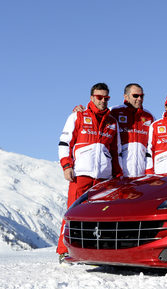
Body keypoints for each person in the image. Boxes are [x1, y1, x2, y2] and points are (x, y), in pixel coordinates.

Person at [57, 82, 122, 259]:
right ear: (92, 98)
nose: (103, 101)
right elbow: (65, 143)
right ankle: (65, 251)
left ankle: (95, 252)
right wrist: (67, 165)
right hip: (82, 174)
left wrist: (118, 176)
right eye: (99, 97)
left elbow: (116, 152)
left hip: (104, 178)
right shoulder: (78, 116)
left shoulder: (112, 122)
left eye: (106, 98)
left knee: (100, 216)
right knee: (73, 212)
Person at [73, 83, 154, 177]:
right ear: (126, 96)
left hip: (141, 173)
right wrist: (81, 110)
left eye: (142, 96)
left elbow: (152, 147)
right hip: (119, 173)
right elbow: (97, 114)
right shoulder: (114, 112)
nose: (139, 99)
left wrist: (149, 172)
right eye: (135, 96)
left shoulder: (149, 117)